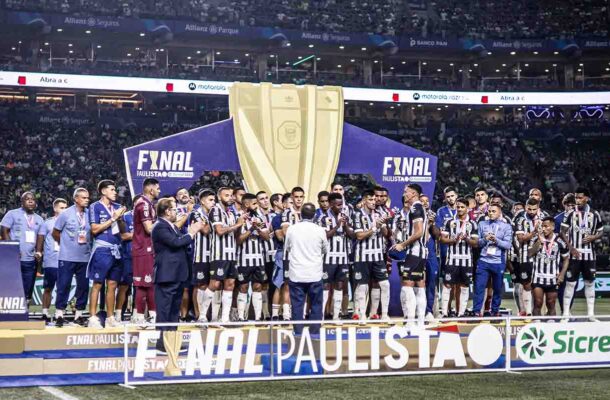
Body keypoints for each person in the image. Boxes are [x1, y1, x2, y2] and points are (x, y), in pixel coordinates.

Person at [152, 197, 202, 375]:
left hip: (176, 275)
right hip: (167, 275)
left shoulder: (171, 226)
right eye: (174, 210)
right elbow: (176, 243)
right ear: (167, 211)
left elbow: (180, 242)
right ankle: (162, 343)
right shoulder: (159, 227)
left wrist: (187, 234)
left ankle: (171, 343)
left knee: (173, 310)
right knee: (165, 310)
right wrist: (192, 233)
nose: (177, 212)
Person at [87, 180, 127, 328]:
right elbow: (95, 229)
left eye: (115, 189)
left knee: (112, 284)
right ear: (103, 191)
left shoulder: (118, 207)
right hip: (102, 249)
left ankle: (110, 318)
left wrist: (121, 219)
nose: (115, 192)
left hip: (117, 249)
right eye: (112, 189)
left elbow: (122, 231)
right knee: (97, 283)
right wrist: (113, 218)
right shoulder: (95, 206)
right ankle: (92, 318)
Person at [284, 203, 328, 334]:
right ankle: (315, 333)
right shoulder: (320, 230)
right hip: (314, 273)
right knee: (316, 305)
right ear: (314, 215)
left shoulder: (292, 229)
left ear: (300, 214)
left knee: (297, 305)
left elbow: (287, 248)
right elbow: (325, 249)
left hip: (297, 273)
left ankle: (297, 333)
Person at [560, 188, 603, 321]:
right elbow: (562, 231)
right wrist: (571, 247)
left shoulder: (595, 214)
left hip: (589, 254)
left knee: (589, 283)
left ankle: (591, 315)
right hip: (574, 254)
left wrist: (593, 237)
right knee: (570, 284)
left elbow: (601, 231)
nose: (577, 201)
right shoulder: (571, 213)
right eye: (576, 198)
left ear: (587, 198)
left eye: (580, 198)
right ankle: (566, 314)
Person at [52, 188, 91, 327]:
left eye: (87, 198)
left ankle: (79, 315)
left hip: (85, 257)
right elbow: (55, 232)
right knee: (63, 285)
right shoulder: (66, 213)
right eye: (84, 198)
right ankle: (59, 315)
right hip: (67, 256)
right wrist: (65, 245)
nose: (87, 200)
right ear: (76, 199)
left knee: (83, 287)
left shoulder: (90, 214)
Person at [0, 191, 44, 306]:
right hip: (14, 258)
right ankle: (8, 312)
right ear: (22, 202)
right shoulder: (12, 214)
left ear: (35, 203)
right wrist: (12, 249)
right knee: (11, 285)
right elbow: (4, 229)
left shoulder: (39, 219)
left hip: (30, 259)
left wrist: (38, 251)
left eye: (33, 199)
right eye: (27, 199)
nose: (30, 201)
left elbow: (40, 236)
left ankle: (24, 312)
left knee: (28, 287)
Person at [393, 184, 428, 325]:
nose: (404, 194)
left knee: (407, 285)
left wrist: (403, 244)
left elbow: (418, 232)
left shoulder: (415, 208)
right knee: (419, 285)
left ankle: (411, 322)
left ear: (413, 193)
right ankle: (419, 322)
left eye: (406, 192)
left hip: (414, 252)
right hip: (420, 251)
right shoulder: (419, 208)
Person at [352, 189, 389, 320]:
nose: (374, 202)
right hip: (362, 255)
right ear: (364, 200)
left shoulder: (380, 213)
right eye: (371, 199)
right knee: (362, 286)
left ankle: (382, 314)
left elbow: (386, 234)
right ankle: (361, 314)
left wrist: (383, 225)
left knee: (385, 284)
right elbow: (359, 236)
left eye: (375, 199)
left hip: (378, 255)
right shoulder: (357, 215)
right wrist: (374, 227)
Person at [209, 187, 245, 323]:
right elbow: (219, 231)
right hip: (219, 254)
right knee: (215, 284)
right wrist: (237, 224)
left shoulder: (230, 213)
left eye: (231, 195)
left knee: (230, 283)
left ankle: (224, 319)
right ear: (219, 197)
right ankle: (203, 316)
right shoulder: (215, 210)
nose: (230, 197)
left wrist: (241, 223)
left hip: (231, 254)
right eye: (226, 195)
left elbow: (236, 235)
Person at [439, 198, 478, 318]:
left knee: (464, 286)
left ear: (467, 208)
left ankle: (461, 313)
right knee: (447, 285)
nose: (460, 209)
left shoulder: (473, 224)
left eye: (462, 207)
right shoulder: (449, 222)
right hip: (451, 259)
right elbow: (442, 239)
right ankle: (444, 312)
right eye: (458, 207)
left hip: (467, 260)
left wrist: (466, 239)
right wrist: (453, 239)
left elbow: (475, 243)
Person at [318, 192, 354, 320]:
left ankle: (336, 316)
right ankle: (321, 315)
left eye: (341, 204)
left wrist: (346, 227)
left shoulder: (345, 217)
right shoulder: (323, 218)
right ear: (331, 204)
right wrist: (337, 225)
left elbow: (352, 235)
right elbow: (325, 236)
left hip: (343, 256)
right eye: (338, 205)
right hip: (328, 257)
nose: (340, 207)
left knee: (340, 285)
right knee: (326, 285)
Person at [473, 204, 513, 317]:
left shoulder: (506, 227)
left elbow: (508, 245)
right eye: (489, 211)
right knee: (479, 287)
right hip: (483, 261)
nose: (491, 213)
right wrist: (485, 239)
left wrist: (496, 240)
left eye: (493, 211)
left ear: (499, 213)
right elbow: (477, 243)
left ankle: (495, 311)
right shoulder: (481, 224)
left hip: (498, 262)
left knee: (497, 289)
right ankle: (477, 311)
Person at [236, 193, 270, 321]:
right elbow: (238, 240)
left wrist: (259, 230)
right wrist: (251, 229)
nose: (257, 206)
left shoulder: (260, 217)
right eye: (254, 203)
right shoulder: (238, 217)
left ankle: (257, 317)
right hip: (243, 259)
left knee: (258, 287)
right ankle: (240, 317)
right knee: (243, 287)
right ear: (246, 204)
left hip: (259, 259)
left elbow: (267, 237)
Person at [527, 217, 570, 317]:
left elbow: (566, 259)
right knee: (537, 303)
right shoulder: (535, 238)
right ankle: (537, 325)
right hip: (538, 277)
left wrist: (562, 274)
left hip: (553, 278)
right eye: (542, 226)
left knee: (551, 304)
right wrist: (539, 242)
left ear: (553, 227)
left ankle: (550, 327)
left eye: (546, 226)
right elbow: (529, 254)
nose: (544, 229)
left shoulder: (560, 241)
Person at [131, 178, 160, 324]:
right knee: (143, 284)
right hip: (143, 249)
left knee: (149, 284)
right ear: (151, 189)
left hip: (147, 249)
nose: (159, 191)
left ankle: (153, 316)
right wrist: (164, 223)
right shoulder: (144, 204)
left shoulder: (148, 204)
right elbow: (149, 228)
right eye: (158, 188)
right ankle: (140, 317)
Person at [514, 198, 549, 316]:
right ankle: (529, 313)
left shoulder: (544, 216)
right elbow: (521, 238)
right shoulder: (520, 219)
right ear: (525, 207)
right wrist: (534, 232)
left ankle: (539, 312)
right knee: (527, 284)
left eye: (534, 209)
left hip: (541, 256)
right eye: (529, 209)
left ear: (538, 207)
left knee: (540, 285)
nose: (532, 211)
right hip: (525, 255)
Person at [35, 198, 68, 323]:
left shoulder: (70, 223)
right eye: (62, 207)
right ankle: (45, 313)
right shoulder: (47, 223)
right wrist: (39, 253)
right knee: (48, 288)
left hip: (66, 260)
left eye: (66, 208)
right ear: (55, 209)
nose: (64, 210)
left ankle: (60, 314)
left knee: (63, 288)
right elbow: (41, 239)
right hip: (51, 261)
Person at [280, 187, 305, 319]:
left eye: (301, 196)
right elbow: (285, 232)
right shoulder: (286, 213)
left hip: (305, 256)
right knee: (288, 284)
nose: (299, 199)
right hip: (289, 255)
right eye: (296, 197)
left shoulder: (307, 212)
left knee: (305, 283)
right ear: (292, 198)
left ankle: (302, 312)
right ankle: (286, 313)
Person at [191, 190, 213, 323]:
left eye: (214, 200)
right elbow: (205, 230)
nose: (213, 202)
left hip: (214, 254)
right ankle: (198, 314)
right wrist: (214, 221)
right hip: (200, 254)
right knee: (201, 285)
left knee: (213, 285)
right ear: (203, 201)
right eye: (210, 200)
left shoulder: (212, 214)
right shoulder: (196, 213)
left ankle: (208, 314)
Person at [257, 191, 279, 320]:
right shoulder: (256, 216)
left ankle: (276, 311)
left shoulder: (275, 215)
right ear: (258, 201)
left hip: (275, 255)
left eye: (266, 198)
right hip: (262, 255)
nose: (265, 201)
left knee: (275, 284)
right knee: (263, 284)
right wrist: (271, 233)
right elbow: (265, 236)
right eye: (261, 199)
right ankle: (265, 313)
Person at [554, 193, 575, 314]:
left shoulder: (581, 217)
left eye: (573, 205)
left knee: (573, 284)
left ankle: (568, 310)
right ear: (564, 205)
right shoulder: (558, 219)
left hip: (575, 256)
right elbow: (555, 238)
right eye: (568, 205)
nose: (571, 207)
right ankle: (563, 310)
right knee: (561, 284)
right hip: (562, 256)